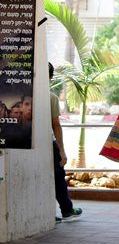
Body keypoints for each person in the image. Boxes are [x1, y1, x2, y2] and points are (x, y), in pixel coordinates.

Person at [49, 63, 82, 223]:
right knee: (58, 176)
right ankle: (67, 210)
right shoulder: (51, 98)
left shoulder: (24, 98)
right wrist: (62, 150)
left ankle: (49, 213)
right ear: (50, 77)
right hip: (48, 143)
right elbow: (56, 125)